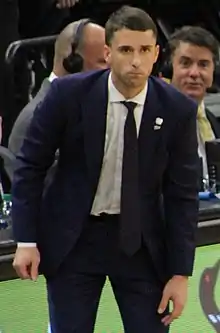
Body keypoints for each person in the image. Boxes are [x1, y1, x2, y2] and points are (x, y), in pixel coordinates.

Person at [12, 5, 199, 333]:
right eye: (126, 50)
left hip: (142, 244)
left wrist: (181, 273)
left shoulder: (176, 109)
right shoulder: (67, 95)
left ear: (157, 53)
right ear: (108, 52)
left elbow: (182, 195)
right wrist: (25, 239)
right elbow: (30, 165)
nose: (136, 61)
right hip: (76, 240)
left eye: (144, 50)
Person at [8, 19, 106, 156]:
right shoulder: (37, 120)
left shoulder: (88, 105)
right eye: (102, 62)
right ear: (72, 63)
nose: (111, 71)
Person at [164, 26, 220, 179]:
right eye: (186, 63)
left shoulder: (211, 121)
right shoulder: (155, 119)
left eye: (203, 64)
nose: (194, 73)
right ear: (171, 67)